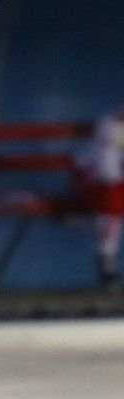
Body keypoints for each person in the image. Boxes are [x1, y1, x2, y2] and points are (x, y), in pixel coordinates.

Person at [75, 106, 124, 291]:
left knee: (115, 200)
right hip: (94, 179)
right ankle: (106, 259)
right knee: (114, 201)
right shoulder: (112, 124)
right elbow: (107, 168)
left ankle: (89, 224)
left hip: (113, 182)